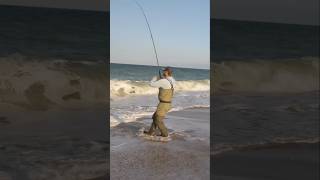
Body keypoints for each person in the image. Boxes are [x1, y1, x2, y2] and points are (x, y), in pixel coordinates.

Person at [144, 67, 176, 137]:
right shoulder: (172, 80)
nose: (163, 72)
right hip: (168, 104)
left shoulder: (164, 81)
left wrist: (155, 78)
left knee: (158, 120)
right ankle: (150, 132)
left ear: (166, 72)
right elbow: (166, 85)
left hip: (163, 104)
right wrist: (162, 79)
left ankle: (165, 134)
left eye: (164, 71)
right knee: (155, 117)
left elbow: (151, 84)